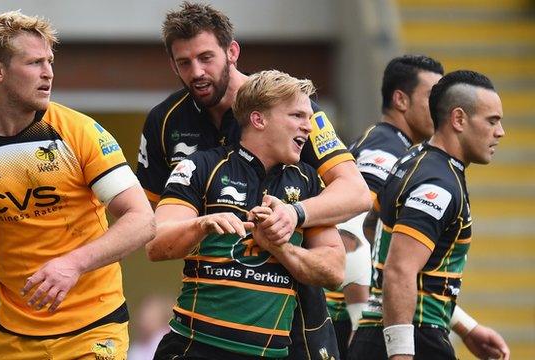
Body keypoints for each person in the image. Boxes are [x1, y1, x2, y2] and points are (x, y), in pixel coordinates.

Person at [0, 11, 155, 360]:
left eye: (50, 61)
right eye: (34, 62)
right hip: (13, 336)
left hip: (93, 328)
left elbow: (142, 219)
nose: (48, 72)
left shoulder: (79, 132)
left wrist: (73, 264)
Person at [137, 2, 370, 358]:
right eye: (184, 63)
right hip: (211, 301)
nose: (197, 72)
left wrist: (293, 216)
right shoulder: (164, 121)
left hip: (293, 293)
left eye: (206, 58)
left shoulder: (288, 109)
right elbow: (153, 226)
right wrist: (203, 227)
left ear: (232, 52)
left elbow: (356, 193)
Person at [147, 69, 345, 359]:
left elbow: (335, 271)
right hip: (195, 347)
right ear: (258, 119)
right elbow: (155, 245)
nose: (309, 127)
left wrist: (281, 248)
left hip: (271, 353)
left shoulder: (308, 182)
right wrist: (202, 225)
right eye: (297, 116)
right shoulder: (200, 167)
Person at [344, 57, 510, 360]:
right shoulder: (438, 183)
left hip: (381, 331)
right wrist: (402, 353)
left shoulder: (410, 162)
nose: (501, 132)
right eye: (492, 121)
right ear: (458, 119)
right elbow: (399, 269)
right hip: (415, 336)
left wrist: (463, 325)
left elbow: (373, 228)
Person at [327, 54, 445, 358]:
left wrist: (467, 327)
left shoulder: (395, 146)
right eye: (433, 97)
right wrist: (359, 317)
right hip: (343, 318)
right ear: (400, 100)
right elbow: (351, 232)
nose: (440, 107)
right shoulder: (385, 149)